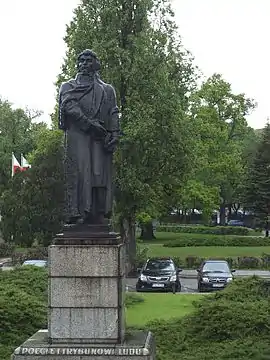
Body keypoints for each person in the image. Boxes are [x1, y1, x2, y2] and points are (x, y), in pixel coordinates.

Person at [58, 49, 120, 225]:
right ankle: (77, 214)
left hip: (101, 138)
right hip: (78, 136)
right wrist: (91, 125)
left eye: (88, 60)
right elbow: (69, 107)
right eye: (81, 60)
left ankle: (98, 213)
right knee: (79, 173)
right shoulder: (68, 86)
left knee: (98, 174)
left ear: (96, 64)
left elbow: (113, 111)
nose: (84, 64)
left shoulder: (107, 89)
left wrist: (115, 134)